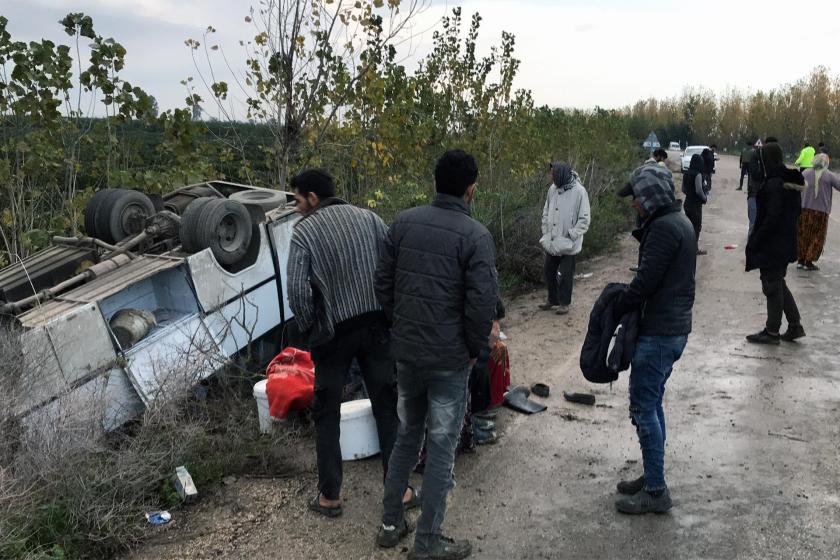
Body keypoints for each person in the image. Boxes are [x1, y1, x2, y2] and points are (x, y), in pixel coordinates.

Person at [375, 149, 498, 559]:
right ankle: (427, 542)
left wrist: (401, 327)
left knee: (407, 437)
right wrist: (471, 350)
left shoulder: (403, 223)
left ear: (435, 182)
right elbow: (482, 304)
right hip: (448, 360)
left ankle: (391, 524)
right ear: (470, 188)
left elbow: (384, 284)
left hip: (407, 355)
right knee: (442, 447)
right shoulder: (476, 236)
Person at [286, 169, 416, 518]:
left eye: (298, 200)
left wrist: (310, 325)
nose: (296, 208)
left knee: (326, 414)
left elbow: (298, 291)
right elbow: (394, 267)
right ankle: (400, 489)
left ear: (313, 198)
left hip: (332, 335)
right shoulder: (370, 219)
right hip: (376, 328)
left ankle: (330, 497)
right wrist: (389, 313)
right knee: (387, 408)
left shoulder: (304, 233)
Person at [613, 163, 697, 514]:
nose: (634, 204)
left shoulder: (663, 228)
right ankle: (652, 475)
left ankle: (657, 490)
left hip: (660, 333)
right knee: (652, 403)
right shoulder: (679, 221)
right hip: (672, 329)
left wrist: (617, 304)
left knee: (643, 407)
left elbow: (645, 283)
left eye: (637, 198)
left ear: (650, 196)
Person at [745, 141, 806, 344]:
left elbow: (771, 219)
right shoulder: (789, 182)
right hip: (786, 242)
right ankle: (795, 326)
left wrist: (755, 240)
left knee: (772, 286)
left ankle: (772, 332)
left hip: (773, 245)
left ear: (766, 161)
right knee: (778, 283)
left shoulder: (773, 185)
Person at [538, 162, 591, 315]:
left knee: (566, 274)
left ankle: (564, 303)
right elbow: (546, 210)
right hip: (553, 240)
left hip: (569, 243)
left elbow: (584, 219)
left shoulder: (580, 192)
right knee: (549, 271)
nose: (551, 177)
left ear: (562, 175)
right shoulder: (552, 190)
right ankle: (552, 299)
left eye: (553, 175)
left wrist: (571, 234)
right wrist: (545, 230)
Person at [798, 153, 840, 271]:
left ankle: (800, 260)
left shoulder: (805, 173)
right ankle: (809, 262)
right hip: (820, 212)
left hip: (804, 209)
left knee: (802, 234)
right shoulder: (829, 175)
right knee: (817, 237)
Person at [682, 153, 708, 255]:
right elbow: (699, 190)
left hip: (687, 203)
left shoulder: (686, 173)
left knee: (688, 227)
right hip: (695, 205)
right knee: (696, 227)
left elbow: (683, 189)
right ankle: (694, 249)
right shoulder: (698, 174)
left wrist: (689, 194)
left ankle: (686, 248)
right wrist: (704, 198)